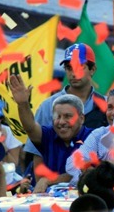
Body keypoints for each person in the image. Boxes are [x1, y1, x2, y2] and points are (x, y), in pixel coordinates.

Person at [22, 43, 107, 172]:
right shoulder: (48, 106)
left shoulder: (106, 106)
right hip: (55, 186)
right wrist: (43, 186)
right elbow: (37, 152)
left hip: (96, 183)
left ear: (92, 69)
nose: (74, 73)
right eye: (69, 68)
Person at [9, 73, 93, 193]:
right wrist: (23, 104)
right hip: (51, 205)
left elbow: (84, 172)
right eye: (57, 116)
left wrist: (48, 180)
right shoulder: (49, 134)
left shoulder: (93, 137)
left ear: (82, 118)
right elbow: (30, 127)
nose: (61, 122)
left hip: (83, 203)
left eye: (68, 116)